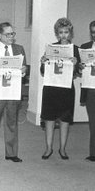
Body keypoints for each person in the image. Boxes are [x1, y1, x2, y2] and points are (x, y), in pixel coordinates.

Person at [0, 22, 26, 163]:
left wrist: (24, 71)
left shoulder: (19, 49)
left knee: (12, 123)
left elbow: (24, 70)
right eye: (8, 34)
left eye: (13, 33)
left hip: (12, 92)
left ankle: (11, 153)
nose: (11, 37)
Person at [40, 17, 80, 160]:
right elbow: (43, 71)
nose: (64, 35)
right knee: (49, 119)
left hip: (67, 89)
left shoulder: (75, 49)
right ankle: (48, 148)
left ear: (70, 33)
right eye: (61, 32)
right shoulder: (51, 47)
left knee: (65, 119)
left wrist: (76, 64)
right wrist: (43, 62)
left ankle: (62, 148)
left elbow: (78, 72)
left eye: (66, 32)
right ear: (57, 33)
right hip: (51, 88)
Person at [80, 20, 95, 162]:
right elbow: (79, 69)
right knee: (93, 122)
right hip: (90, 88)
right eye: (93, 32)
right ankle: (93, 153)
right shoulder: (85, 47)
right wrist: (80, 66)